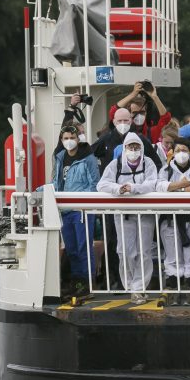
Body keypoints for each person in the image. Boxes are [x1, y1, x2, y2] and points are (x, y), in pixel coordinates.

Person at [97, 133, 160, 303]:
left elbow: (152, 183)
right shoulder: (115, 164)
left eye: (136, 146)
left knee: (144, 251)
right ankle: (131, 284)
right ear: (124, 148)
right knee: (124, 251)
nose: (133, 150)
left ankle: (139, 288)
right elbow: (102, 184)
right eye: (130, 147)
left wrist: (134, 188)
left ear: (141, 147)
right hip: (123, 214)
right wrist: (119, 189)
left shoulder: (149, 163)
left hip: (145, 213)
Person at [156, 138, 190, 305]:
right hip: (170, 220)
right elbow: (159, 186)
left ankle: (189, 290)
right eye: (178, 150)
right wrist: (182, 185)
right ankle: (173, 290)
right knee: (172, 256)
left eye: (184, 150)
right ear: (172, 152)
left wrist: (177, 188)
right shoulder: (166, 169)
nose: (181, 154)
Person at [50, 125, 100, 297]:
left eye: (72, 137)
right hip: (65, 210)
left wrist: (83, 202)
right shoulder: (60, 157)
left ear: (78, 139)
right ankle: (77, 282)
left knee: (83, 247)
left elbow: (94, 185)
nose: (69, 141)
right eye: (65, 138)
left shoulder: (88, 159)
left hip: (82, 209)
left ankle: (88, 283)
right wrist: (40, 191)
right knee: (71, 248)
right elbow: (56, 183)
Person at [91, 107, 161, 172]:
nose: (123, 123)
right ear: (114, 122)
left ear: (130, 121)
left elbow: (157, 163)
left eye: (125, 120)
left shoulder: (140, 139)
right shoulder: (106, 139)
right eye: (119, 121)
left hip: (135, 182)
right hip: (112, 182)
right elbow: (90, 154)